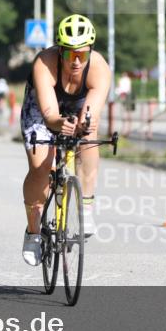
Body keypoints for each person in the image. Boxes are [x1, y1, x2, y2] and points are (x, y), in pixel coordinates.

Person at [20, 14, 111, 266]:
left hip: (78, 104)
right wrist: (60, 124)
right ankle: (33, 232)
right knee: (41, 168)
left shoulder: (100, 69)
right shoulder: (44, 63)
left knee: (89, 140)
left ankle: (87, 208)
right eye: (70, 55)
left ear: (90, 50)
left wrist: (83, 125)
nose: (77, 61)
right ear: (60, 51)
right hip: (42, 108)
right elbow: (49, 115)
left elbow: (91, 112)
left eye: (82, 54)